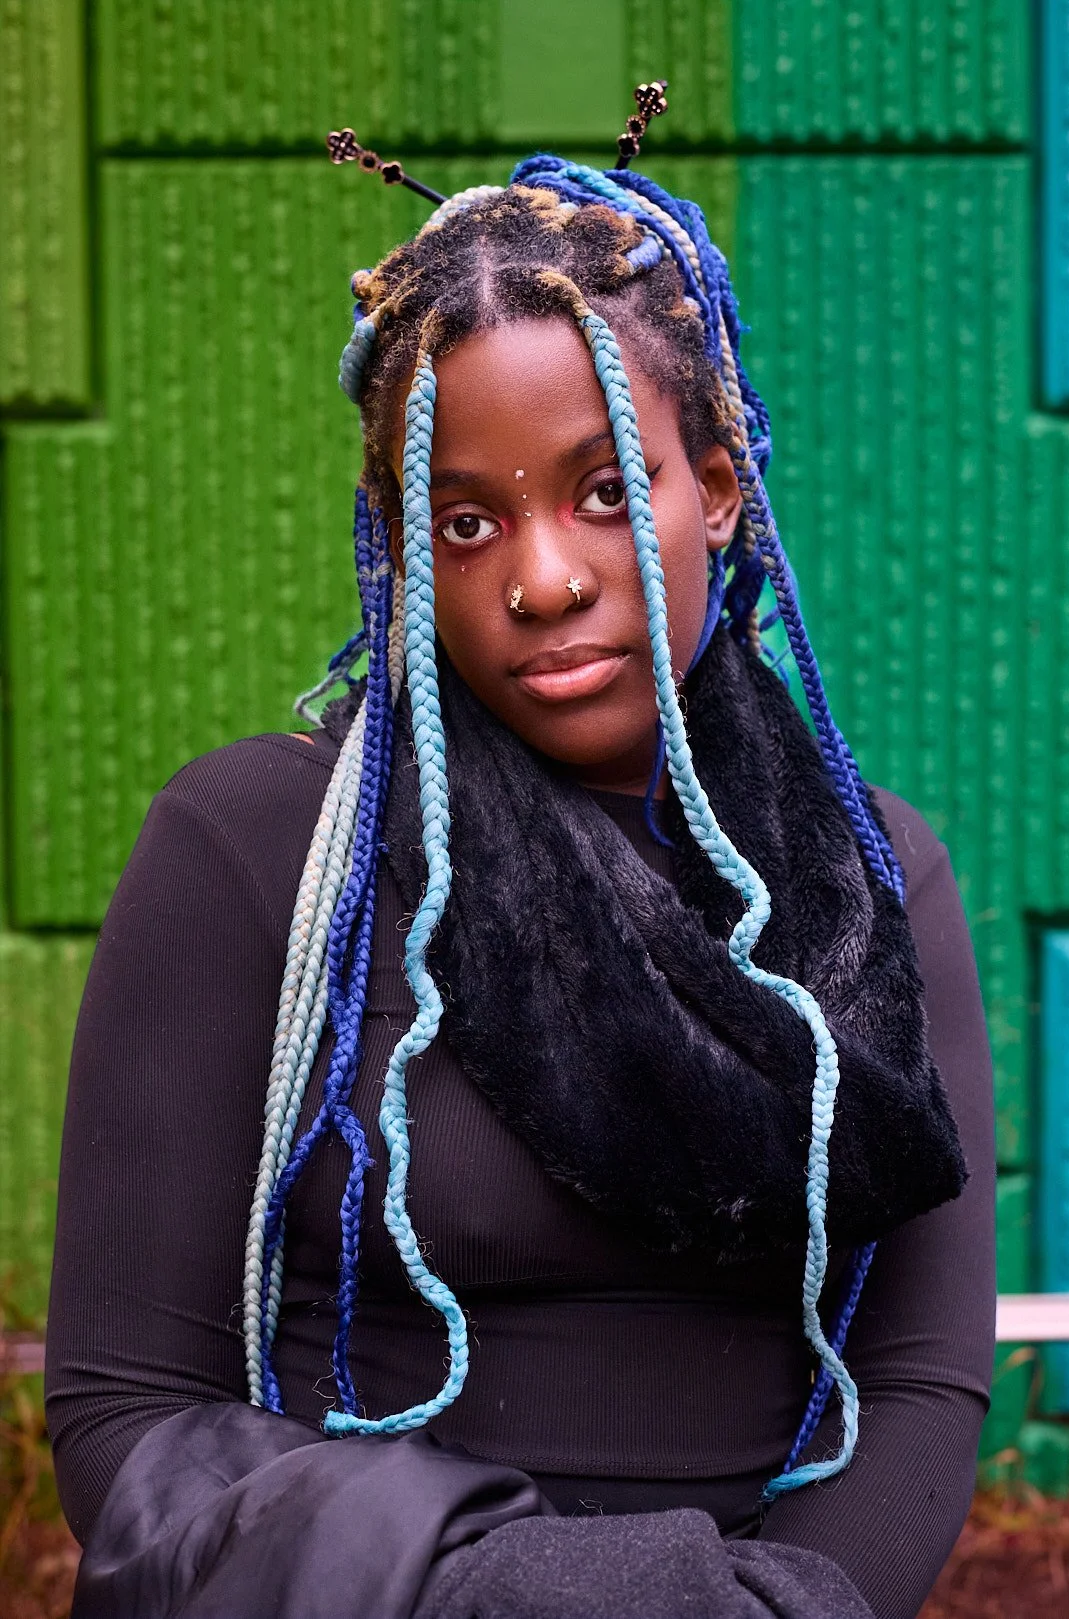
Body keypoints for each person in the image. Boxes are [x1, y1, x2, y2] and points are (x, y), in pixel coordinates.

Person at [45, 146, 995, 1619]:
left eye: (609, 489)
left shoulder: (873, 884)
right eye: (468, 520)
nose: (543, 578)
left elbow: (920, 1382)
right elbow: (127, 1417)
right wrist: (529, 1599)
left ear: (718, 489)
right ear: (402, 547)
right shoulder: (252, 849)